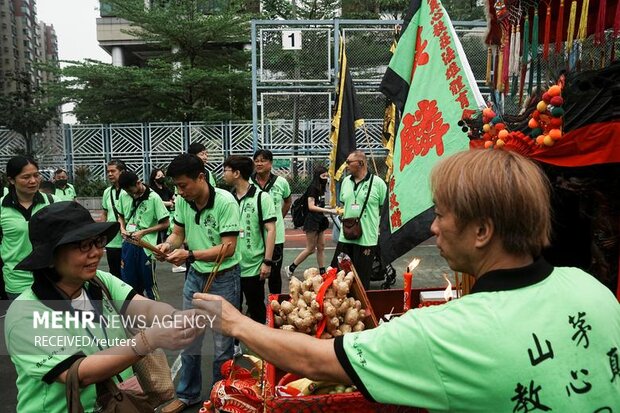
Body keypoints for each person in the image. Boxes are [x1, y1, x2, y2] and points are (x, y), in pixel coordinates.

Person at [191, 149, 620, 412]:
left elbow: (316, 361)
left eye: (440, 213)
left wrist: (235, 323)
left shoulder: (449, 332)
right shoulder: (593, 290)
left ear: (482, 231)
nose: (433, 228)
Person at [4, 201, 200, 413]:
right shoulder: (26, 314)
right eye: (83, 246)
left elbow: (143, 308)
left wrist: (177, 316)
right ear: (50, 257)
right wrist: (147, 340)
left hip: (117, 402)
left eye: (97, 242)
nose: (96, 252)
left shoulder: (98, 282)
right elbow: (79, 373)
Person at [157, 153, 241, 413]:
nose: (180, 192)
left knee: (222, 345)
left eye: (183, 185)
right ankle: (187, 394)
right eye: (177, 186)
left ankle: (218, 398)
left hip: (223, 277)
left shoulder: (225, 201)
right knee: (189, 337)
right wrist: (167, 245)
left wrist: (189, 255)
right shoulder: (184, 201)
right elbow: (178, 232)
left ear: (201, 177)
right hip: (195, 276)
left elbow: (228, 248)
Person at [222, 155, 276, 324]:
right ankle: (235, 344)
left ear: (237, 173)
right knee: (232, 308)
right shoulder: (227, 199)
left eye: (226, 170)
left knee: (256, 307)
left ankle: (259, 346)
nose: (223, 174)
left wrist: (267, 261)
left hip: (253, 266)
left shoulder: (261, 197)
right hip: (230, 266)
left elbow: (271, 229)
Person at [1, 156, 56, 299]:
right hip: (17, 282)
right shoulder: (1, 207)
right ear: (11, 180)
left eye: (36, 175)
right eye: (26, 177)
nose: (33, 181)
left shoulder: (53, 203)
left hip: (52, 280)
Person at [330, 150, 387, 289]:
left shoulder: (378, 183)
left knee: (361, 281)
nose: (346, 165)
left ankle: (360, 309)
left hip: (367, 239)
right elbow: (345, 204)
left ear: (361, 163)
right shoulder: (345, 182)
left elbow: (384, 209)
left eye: (349, 162)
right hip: (346, 237)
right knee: (338, 275)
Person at [117, 171, 169, 300]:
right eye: (128, 191)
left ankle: (157, 314)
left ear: (138, 182)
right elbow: (121, 216)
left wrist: (144, 232)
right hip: (128, 244)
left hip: (146, 247)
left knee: (149, 284)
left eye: (132, 190)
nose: (131, 194)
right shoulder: (124, 194)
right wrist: (122, 228)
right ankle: (136, 314)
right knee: (129, 284)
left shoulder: (154, 198)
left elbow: (165, 223)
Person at [251, 149, 292, 294]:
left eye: (263, 160)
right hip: (254, 236)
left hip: (276, 236)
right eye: (256, 160)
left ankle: (276, 305)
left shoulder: (281, 182)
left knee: (274, 274)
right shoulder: (249, 182)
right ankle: (256, 308)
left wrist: (278, 217)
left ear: (271, 163)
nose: (259, 163)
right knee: (255, 275)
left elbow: (288, 201)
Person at [285, 166, 338, 277]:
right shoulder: (313, 188)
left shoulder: (322, 188)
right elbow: (311, 206)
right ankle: (291, 267)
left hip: (320, 220)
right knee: (310, 248)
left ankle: (322, 271)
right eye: (323, 176)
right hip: (312, 220)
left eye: (326, 176)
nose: (326, 178)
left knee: (321, 246)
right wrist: (329, 211)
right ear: (317, 177)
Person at [100, 159, 127, 278]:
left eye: (113, 171)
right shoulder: (107, 192)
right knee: (114, 274)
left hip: (126, 240)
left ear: (122, 172)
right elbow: (104, 213)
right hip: (111, 242)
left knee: (128, 274)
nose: (110, 174)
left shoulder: (129, 191)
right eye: (108, 171)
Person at [149, 168, 175, 244]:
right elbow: (158, 202)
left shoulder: (165, 188)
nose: (162, 177)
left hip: (168, 214)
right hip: (159, 217)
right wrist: (170, 203)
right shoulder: (152, 190)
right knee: (160, 237)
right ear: (154, 179)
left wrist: (175, 200)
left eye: (163, 175)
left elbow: (173, 196)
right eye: (159, 176)